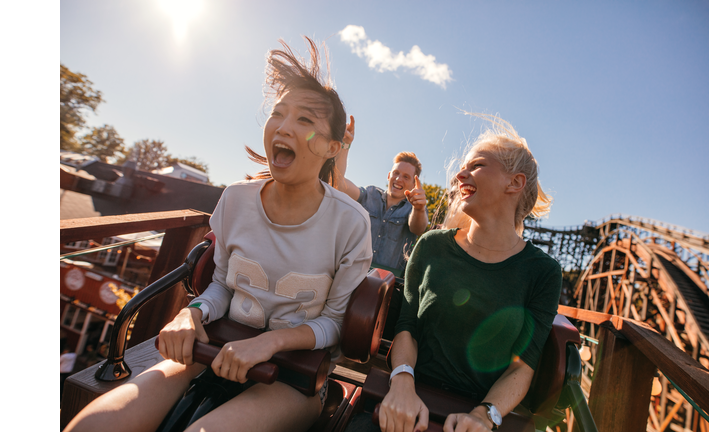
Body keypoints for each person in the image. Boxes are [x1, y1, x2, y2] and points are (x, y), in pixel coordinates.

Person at [64, 36, 372, 432]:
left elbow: (334, 325)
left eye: (305, 120)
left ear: (332, 147)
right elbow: (223, 286)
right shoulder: (235, 199)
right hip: (214, 347)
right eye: (278, 113)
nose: (284, 126)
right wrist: (190, 313)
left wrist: (271, 342)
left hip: (295, 376)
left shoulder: (350, 222)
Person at [350, 114, 562, 432]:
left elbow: (523, 365)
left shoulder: (543, 272)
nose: (460, 175)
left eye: (476, 165)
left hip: (475, 418)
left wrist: (484, 415)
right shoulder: (432, 246)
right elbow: (408, 326)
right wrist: (403, 383)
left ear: (515, 183)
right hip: (408, 401)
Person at [336, 119, 429, 275]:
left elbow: (418, 228)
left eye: (406, 177)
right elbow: (338, 184)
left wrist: (419, 209)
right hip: (351, 273)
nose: (399, 179)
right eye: (396, 173)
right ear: (388, 176)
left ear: (414, 184)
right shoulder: (370, 193)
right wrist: (345, 144)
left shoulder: (414, 208)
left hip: (388, 282)